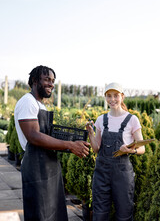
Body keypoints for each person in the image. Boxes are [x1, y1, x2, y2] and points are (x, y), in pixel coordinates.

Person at [14, 65, 90, 221]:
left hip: (48, 166)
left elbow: (46, 134)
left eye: (53, 81)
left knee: (54, 213)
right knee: (40, 213)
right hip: (36, 167)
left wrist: (71, 139)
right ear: (35, 80)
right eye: (47, 79)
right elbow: (33, 136)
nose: (51, 84)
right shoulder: (28, 102)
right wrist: (70, 145)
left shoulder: (39, 103)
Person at [86, 82, 145, 221]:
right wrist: (90, 134)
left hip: (123, 175)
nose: (112, 99)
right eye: (109, 96)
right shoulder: (101, 119)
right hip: (101, 173)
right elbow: (96, 149)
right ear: (105, 97)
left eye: (116, 95)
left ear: (122, 97)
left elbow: (142, 148)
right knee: (99, 214)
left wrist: (129, 150)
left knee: (124, 214)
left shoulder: (132, 120)